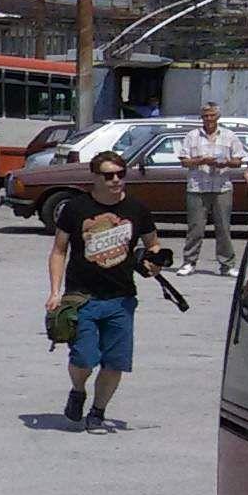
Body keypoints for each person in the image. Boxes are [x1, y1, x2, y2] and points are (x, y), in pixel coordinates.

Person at [49, 149, 161, 431]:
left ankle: (98, 411)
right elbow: (59, 251)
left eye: (121, 174)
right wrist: (54, 292)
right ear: (95, 178)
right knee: (84, 358)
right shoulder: (76, 208)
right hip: (81, 297)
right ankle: (78, 390)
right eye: (109, 175)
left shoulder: (137, 209)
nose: (116, 180)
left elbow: (153, 244)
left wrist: (154, 262)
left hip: (121, 298)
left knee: (115, 363)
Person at [178, 101, 246, 276]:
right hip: (197, 187)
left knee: (223, 227)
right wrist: (200, 160)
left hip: (221, 186)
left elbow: (238, 160)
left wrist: (224, 162)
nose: (209, 119)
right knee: (196, 227)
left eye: (212, 115)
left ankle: (227, 264)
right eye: (205, 116)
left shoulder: (229, 135)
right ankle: (189, 262)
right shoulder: (192, 136)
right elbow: (184, 160)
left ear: (218, 117)